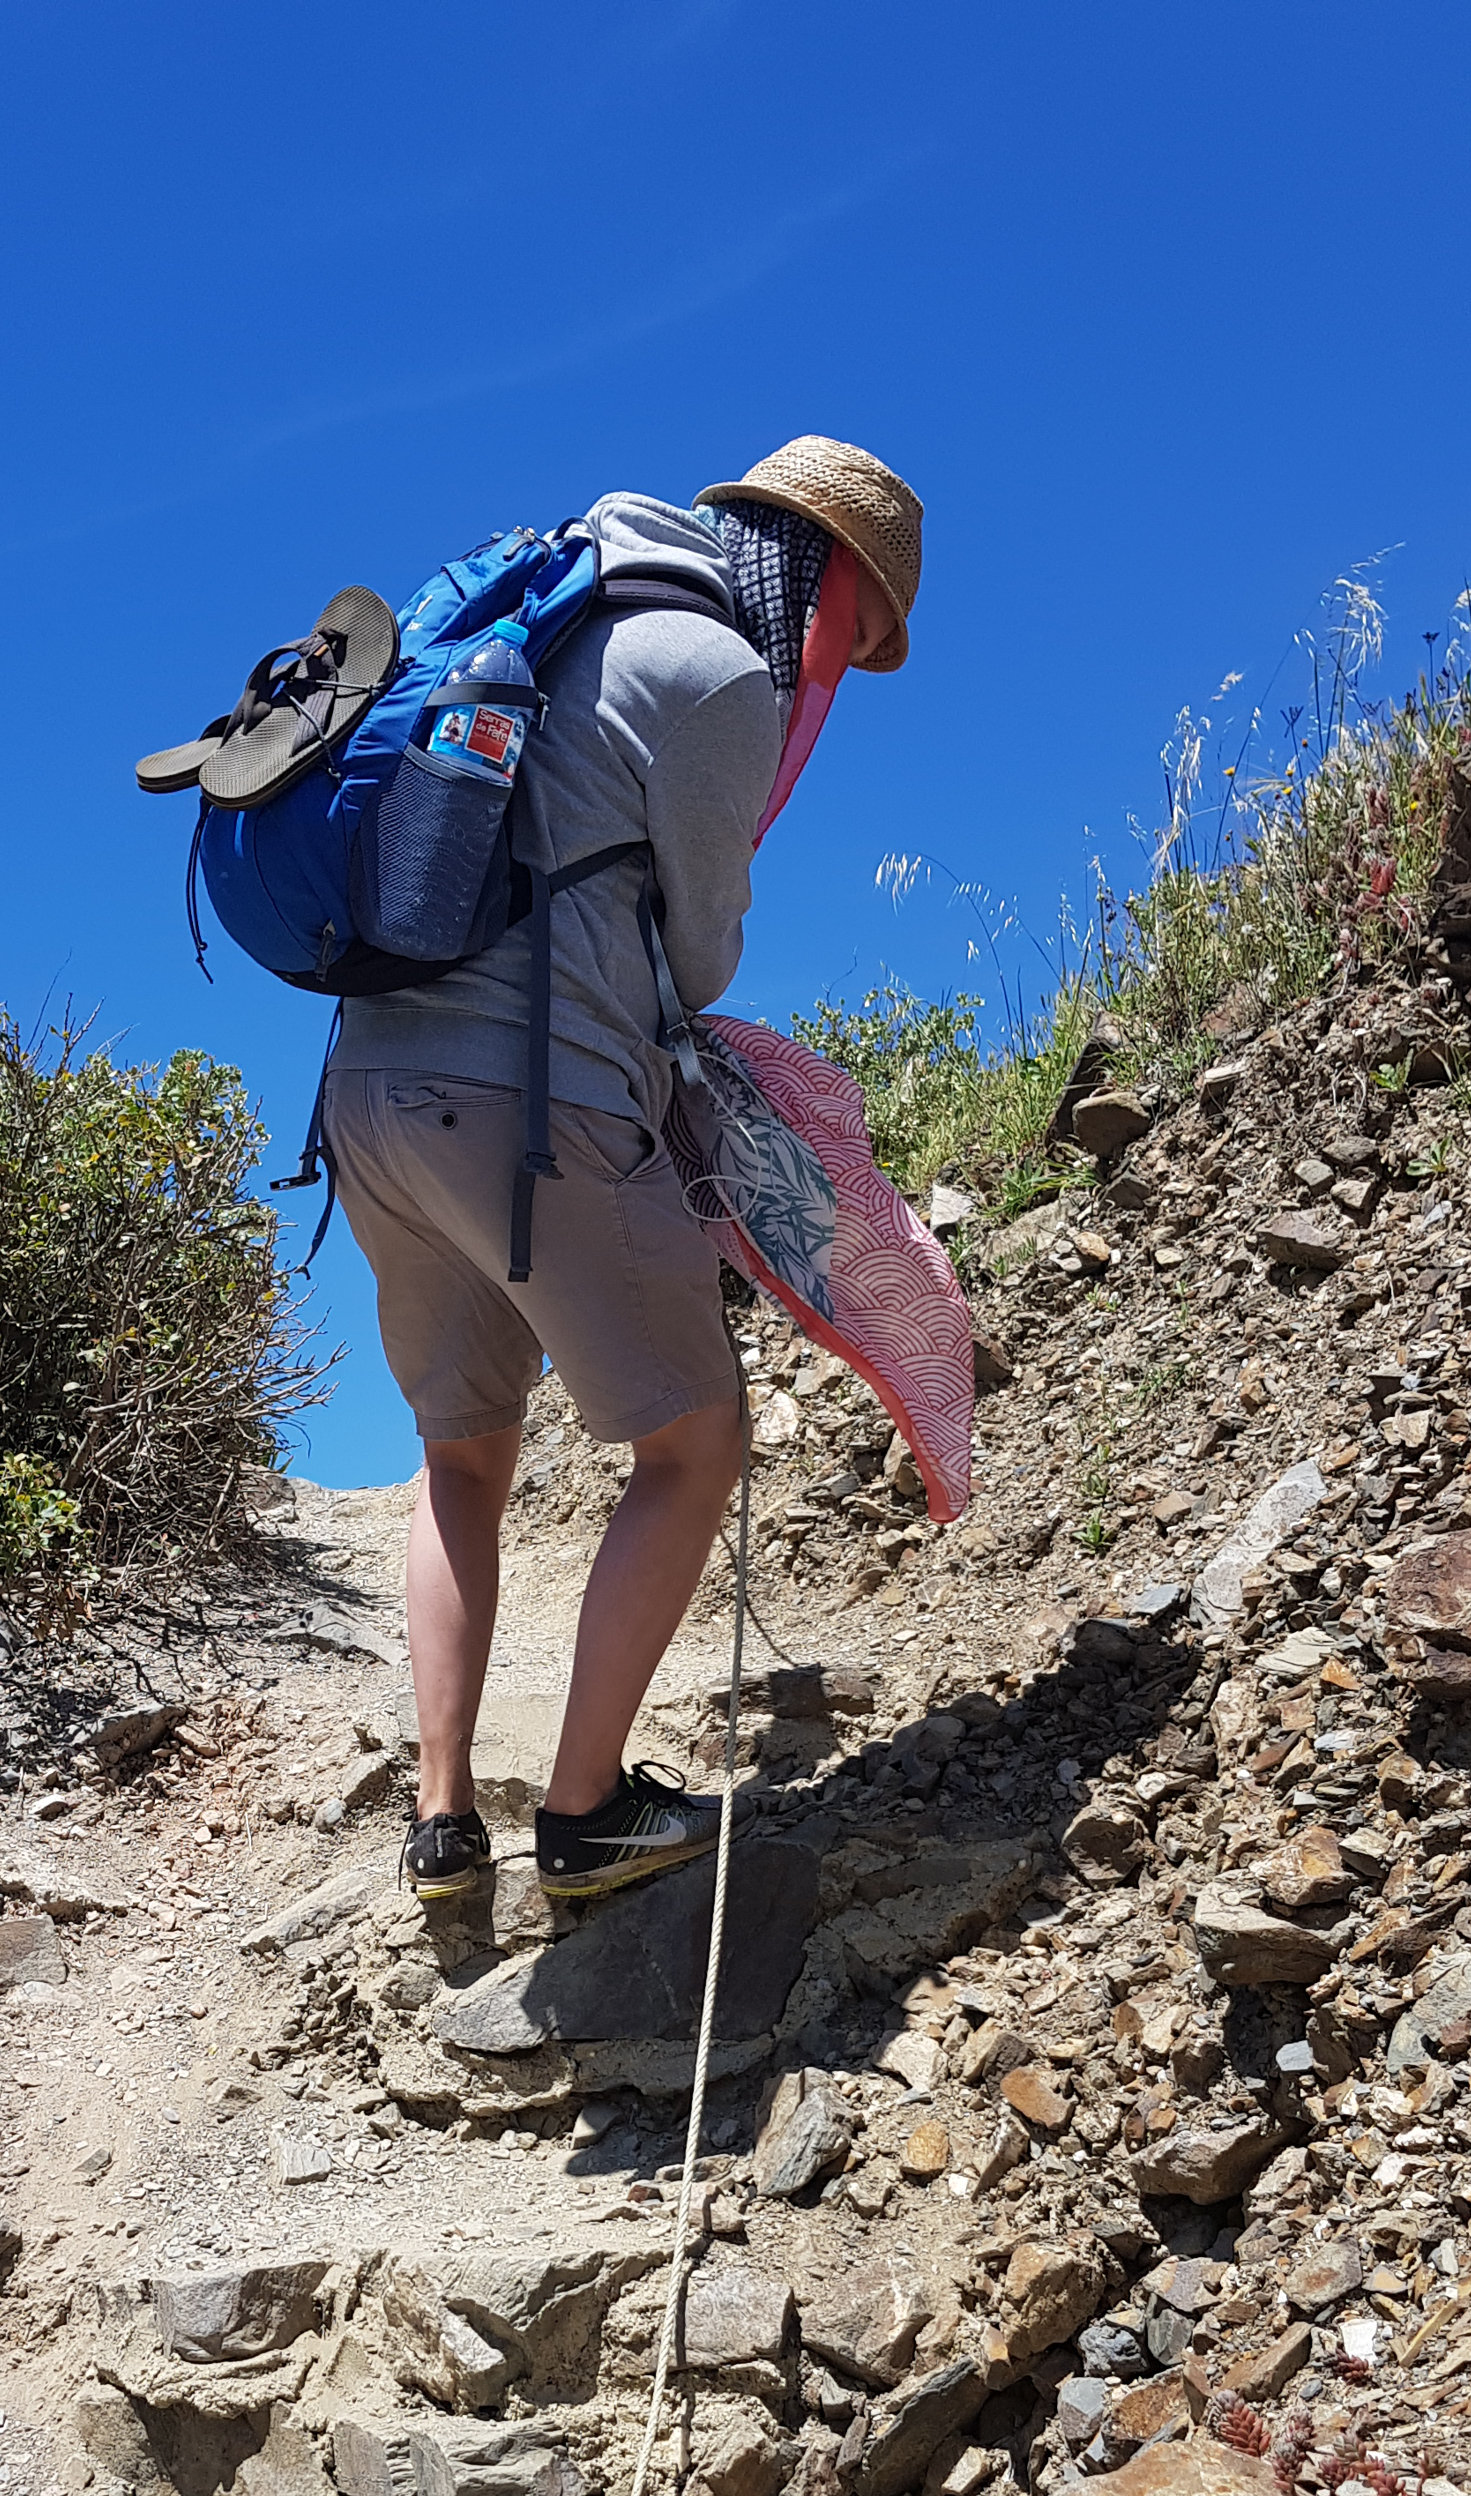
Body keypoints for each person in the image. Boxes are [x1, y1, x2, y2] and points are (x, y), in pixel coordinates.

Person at [321, 436, 922, 1905]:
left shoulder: (538, 616)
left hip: (364, 1097)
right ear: (823, 574)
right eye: (854, 625)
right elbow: (705, 951)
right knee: (694, 1440)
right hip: (534, 1102)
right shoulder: (709, 669)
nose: (836, 660)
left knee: (460, 1460)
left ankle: (444, 1819)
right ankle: (584, 1815)